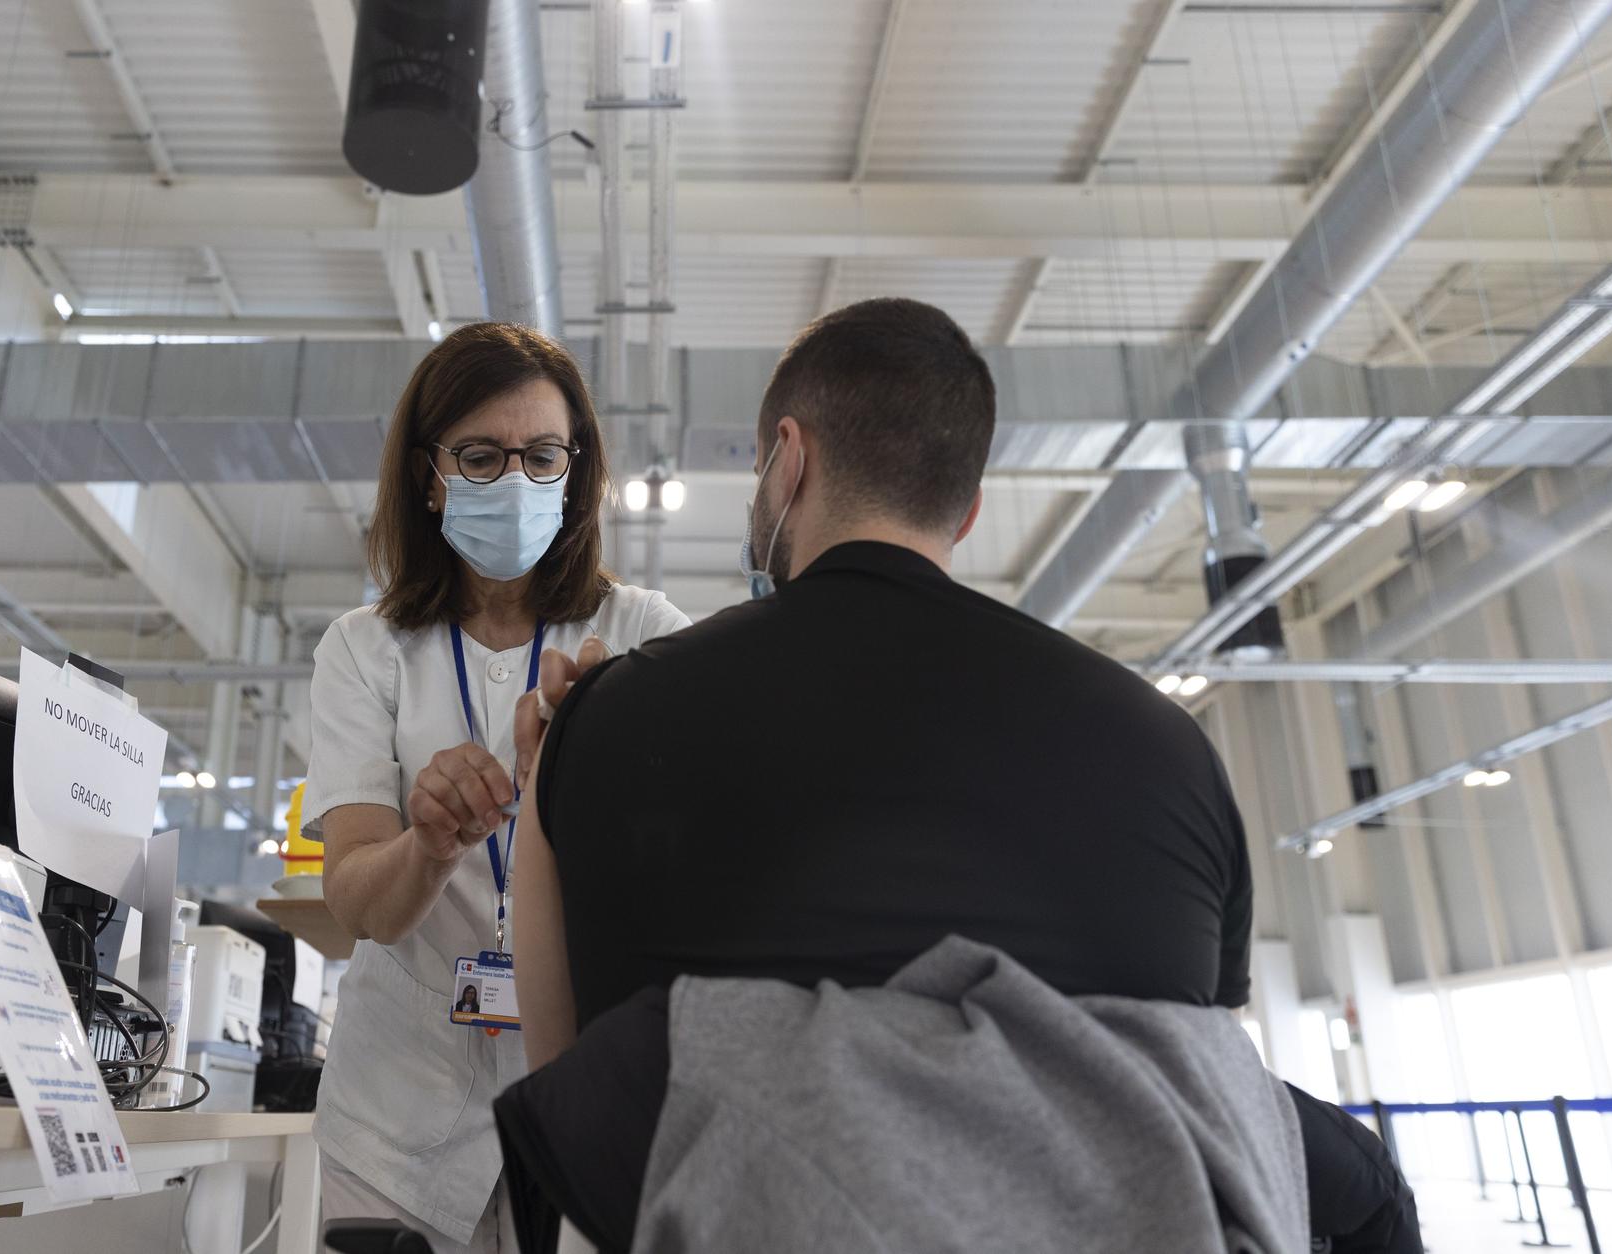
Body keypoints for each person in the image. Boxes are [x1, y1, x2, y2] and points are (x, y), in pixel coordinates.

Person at [500, 298, 1418, 1252]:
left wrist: (555, 767)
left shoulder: (609, 717)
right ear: (968, 507)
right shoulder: (1168, 746)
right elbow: (1205, 1077)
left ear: (789, 457)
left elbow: (561, 1097)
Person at [304, 322, 690, 1253]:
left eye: (542, 455)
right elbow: (356, 901)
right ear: (430, 475)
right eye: (479, 456)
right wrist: (427, 845)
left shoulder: (641, 637)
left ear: (576, 469)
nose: (513, 481)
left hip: (580, 1101)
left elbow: (689, 879)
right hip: (394, 1121)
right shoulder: (364, 650)